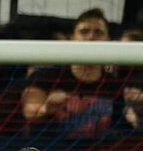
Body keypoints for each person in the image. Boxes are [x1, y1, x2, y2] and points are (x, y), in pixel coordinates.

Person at [21, 9, 129, 138]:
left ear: (108, 40)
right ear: (72, 38)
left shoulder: (114, 85)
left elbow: (120, 126)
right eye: (84, 31)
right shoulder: (44, 77)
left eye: (98, 32)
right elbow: (29, 113)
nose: (91, 37)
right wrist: (46, 108)